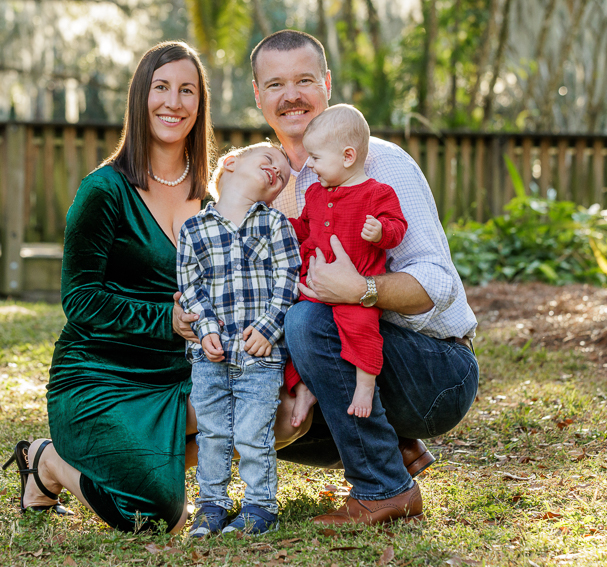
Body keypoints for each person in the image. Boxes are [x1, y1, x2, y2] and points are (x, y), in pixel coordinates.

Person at [251, 30, 480, 525]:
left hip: (437, 372)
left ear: (328, 84)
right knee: (253, 367)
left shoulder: (381, 163)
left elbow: (436, 285)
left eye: (304, 80)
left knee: (309, 323)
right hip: (354, 362)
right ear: (258, 96)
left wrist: (362, 289)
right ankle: (394, 446)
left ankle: (383, 489)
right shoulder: (271, 180)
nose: (291, 95)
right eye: (276, 84)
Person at [2, 41, 214, 533]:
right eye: (160, 88)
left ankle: (141, 466)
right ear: (141, 97)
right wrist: (166, 318)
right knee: (157, 517)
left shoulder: (212, 198)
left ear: (199, 104)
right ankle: (49, 461)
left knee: (276, 413)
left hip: (175, 378)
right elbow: (78, 299)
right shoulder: (105, 190)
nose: (173, 102)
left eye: (187, 90)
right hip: (101, 375)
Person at [177, 142, 301, 537]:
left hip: (258, 355)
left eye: (282, 175)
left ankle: (260, 506)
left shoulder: (275, 224)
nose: (276, 173)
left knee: (253, 432)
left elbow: (289, 279)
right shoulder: (194, 228)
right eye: (269, 161)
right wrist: (206, 328)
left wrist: (268, 328)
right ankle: (211, 505)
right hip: (208, 356)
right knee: (213, 432)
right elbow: (190, 286)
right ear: (230, 164)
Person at [285, 104, 407, 420]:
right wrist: (283, 225)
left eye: (316, 158)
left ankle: (365, 385)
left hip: (355, 289)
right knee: (289, 329)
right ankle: (304, 387)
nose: (309, 166)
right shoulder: (314, 194)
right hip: (311, 285)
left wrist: (380, 231)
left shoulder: (377, 194)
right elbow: (305, 226)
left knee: (362, 330)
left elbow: (397, 227)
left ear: (348, 157)